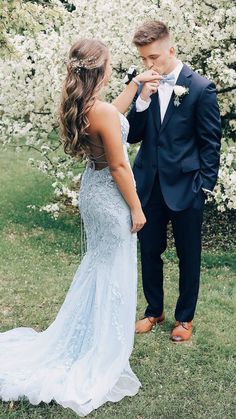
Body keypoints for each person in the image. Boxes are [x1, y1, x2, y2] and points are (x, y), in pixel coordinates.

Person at [0, 39, 160, 417]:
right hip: (111, 196)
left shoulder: (88, 106)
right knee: (109, 267)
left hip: (94, 189)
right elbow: (121, 166)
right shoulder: (99, 110)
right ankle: (97, 346)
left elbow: (115, 120)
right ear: (100, 70)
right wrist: (137, 209)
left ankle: (90, 334)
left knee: (99, 264)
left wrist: (135, 85)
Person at [127, 21, 221, 342]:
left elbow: (211, 142)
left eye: (153, 57)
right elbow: (133, 135)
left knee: (188, 254)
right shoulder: (141, 84)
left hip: (186, 187)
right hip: (148, 186)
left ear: (171, 50)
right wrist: (141, 99)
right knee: (150, 251)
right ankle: (154, 310)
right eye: (143, 59)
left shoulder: (200, 88)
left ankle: (184, 318)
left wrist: (204, 186)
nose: (148, 65)